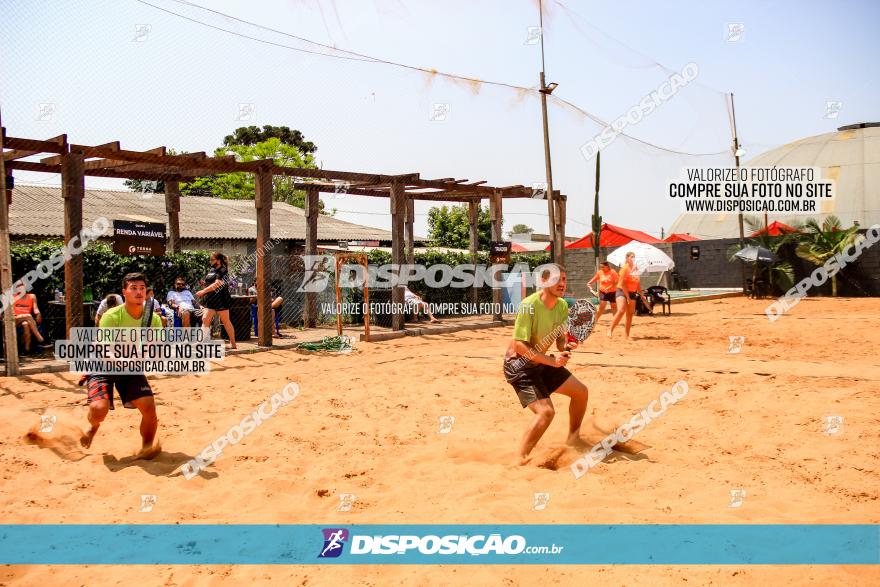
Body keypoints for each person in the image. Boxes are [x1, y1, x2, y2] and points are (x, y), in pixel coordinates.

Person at [502, 264, 590, 464]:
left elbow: (559, 340)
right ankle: (519, 459)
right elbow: (519, 346)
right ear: (543, 282)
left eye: (564, 279)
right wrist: (552, 361)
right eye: (557, 279)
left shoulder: (561, 306)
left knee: (581, 392)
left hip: (540, 361)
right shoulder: (528, 305)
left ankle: (573, 439)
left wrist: (566, 345)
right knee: (546, 413)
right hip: (519, 366)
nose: (562, 284)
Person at [79, 272, 163, 459]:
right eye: (133, 288)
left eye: (142, 288)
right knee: (98, 410)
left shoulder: (153, 319)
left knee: (149, 407)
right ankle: (93, 427)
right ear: (124, 292)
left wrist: (151, 354)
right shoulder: (111, 316)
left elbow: (156, 348)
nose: (139, 292)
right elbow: (104, 349)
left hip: (130, 368)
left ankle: (147, 448)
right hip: (102, 366)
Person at [195, 251, 236, 349]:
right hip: (211, 298)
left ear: (218, 260)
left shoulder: (223, 270)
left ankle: (233, 343)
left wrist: (203, 291)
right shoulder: (212, 269)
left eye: (212, 259)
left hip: (221, 298)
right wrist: (204, 283)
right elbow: (210, 282)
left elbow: (217, 284)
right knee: (205, 319)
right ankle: (199, 342)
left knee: (225, 321)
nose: (210, 261)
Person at [608, 252, 640, 339]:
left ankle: (626, 335)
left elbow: (637, 282)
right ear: (627, 258)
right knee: (621, 310)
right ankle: (610, 330)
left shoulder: (635, 268)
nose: (633, 258)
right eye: (631, 257)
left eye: (634, 257)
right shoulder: (624, 269)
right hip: (622, 291)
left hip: (632, 292)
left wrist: (641, 293)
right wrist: (628, 297)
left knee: (630, 314)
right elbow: (623, 284)